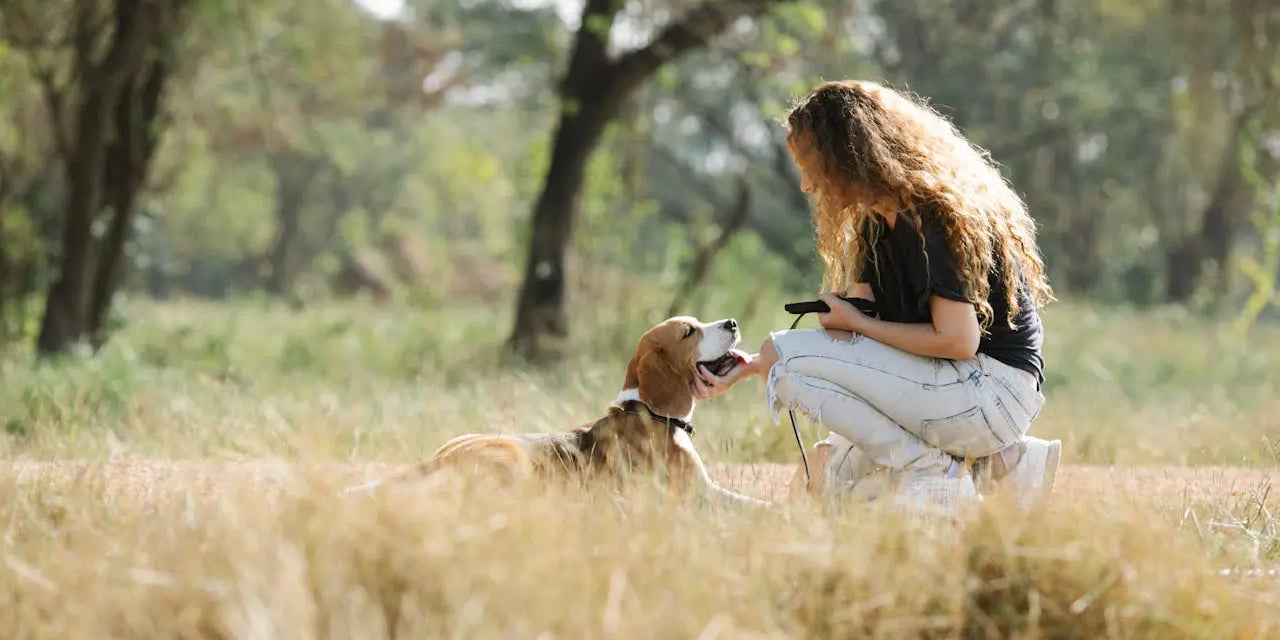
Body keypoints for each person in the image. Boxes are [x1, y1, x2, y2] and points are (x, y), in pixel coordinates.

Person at [694, 79, 1061, 513]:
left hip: (992, 392)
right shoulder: (877, 224)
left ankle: (940, 474)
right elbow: (859, 343)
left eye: (812, 165)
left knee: (784, 355)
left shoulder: (937, 217)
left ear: (850, 156)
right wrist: (755, 365)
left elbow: (959, 341)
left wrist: (851, 326)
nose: (806, 185)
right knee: (824, 479)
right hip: (952, 385)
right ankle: (1004, 466)